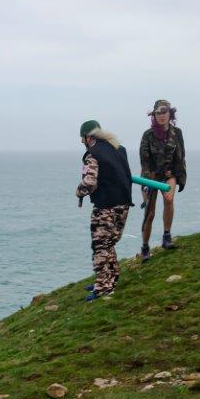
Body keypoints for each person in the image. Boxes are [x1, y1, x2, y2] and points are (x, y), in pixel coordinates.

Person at [75, 120, 134, 300]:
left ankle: (102, 288)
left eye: (82, 139)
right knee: (109, 244)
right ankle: (111, 278)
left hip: (105, 207)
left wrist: (79, 192)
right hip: (123, 205)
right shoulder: (119, 149)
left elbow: (90, 182)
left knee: (100, 246)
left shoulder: (92, 155)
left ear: (88, 137)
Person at [137, 99, 187, 261]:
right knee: (149, 213)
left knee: (169, 199)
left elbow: (181, 156)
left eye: (164, 112)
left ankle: (167, 236)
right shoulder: (148, 135)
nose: (161, 116)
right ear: (154, 116)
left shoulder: (176, 133)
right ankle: (145, 247)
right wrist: (145, 184)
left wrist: (181, 178)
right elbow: (144, 161)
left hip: (169, 174)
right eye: (158, 113)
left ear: (169, 113)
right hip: (151, 177)